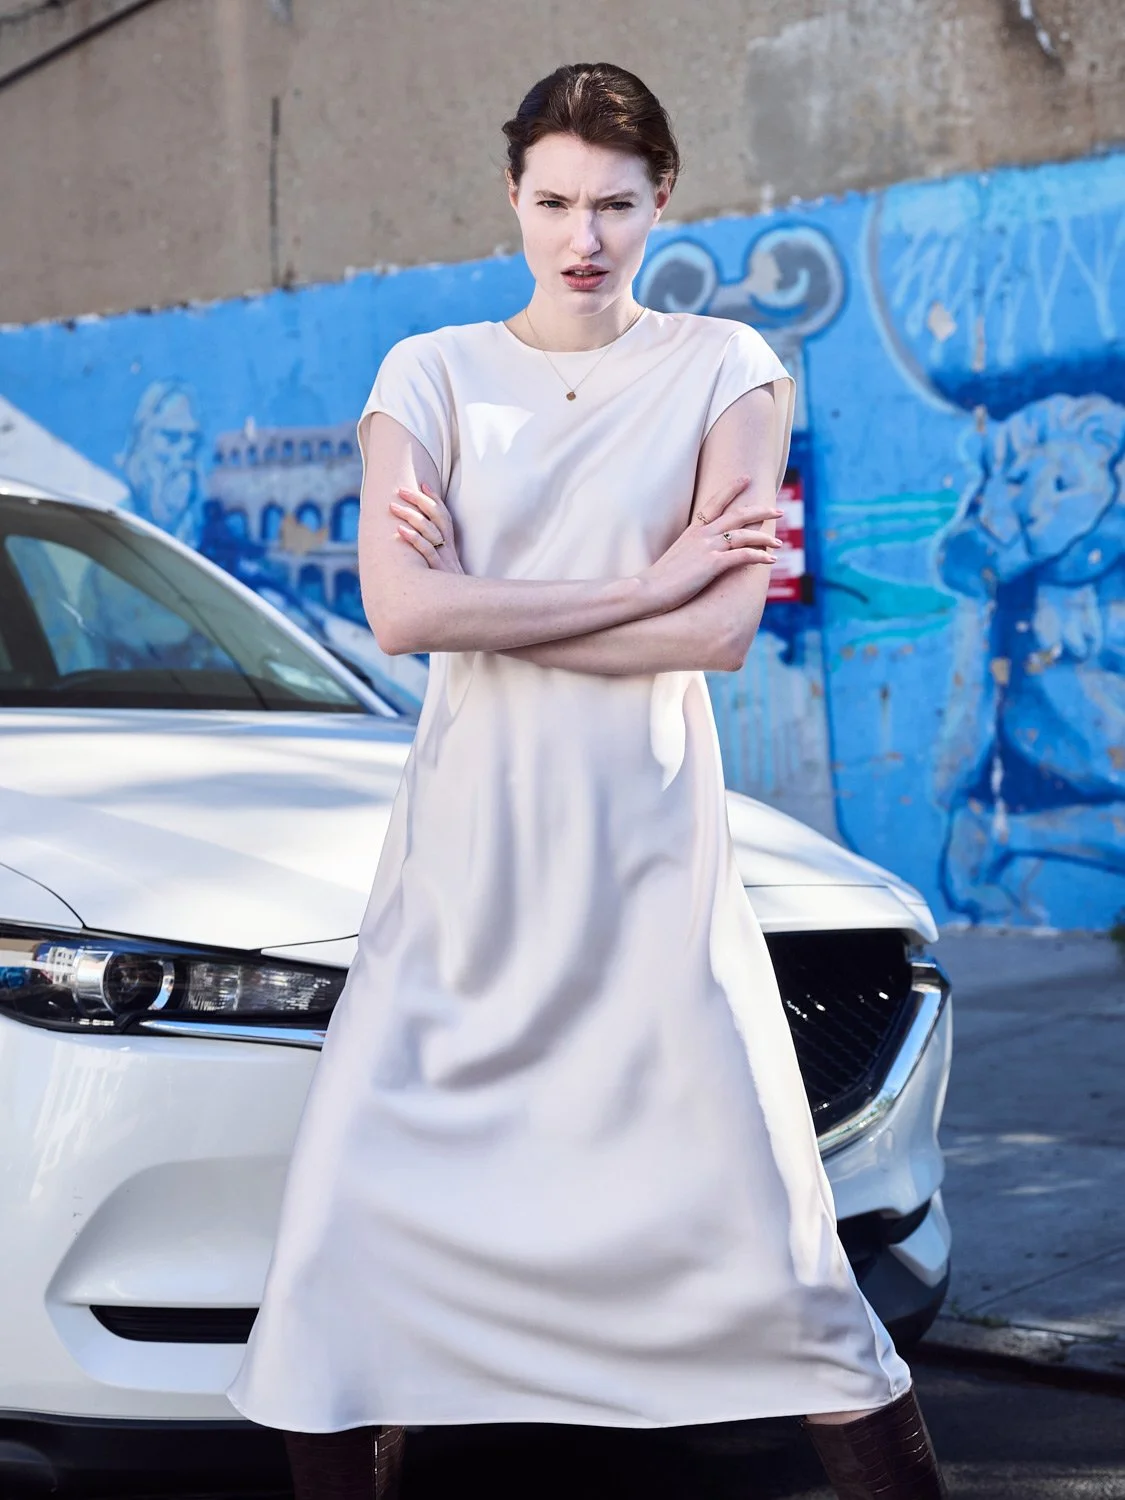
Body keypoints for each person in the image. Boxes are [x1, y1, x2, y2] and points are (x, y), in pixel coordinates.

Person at [226, 63, 947, 1500]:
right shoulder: (425, 373)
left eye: (616, 203)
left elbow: (720, 631)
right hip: (458, 895)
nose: (585, 235)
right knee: (333, 1284)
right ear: (513, 195)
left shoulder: (729, 368)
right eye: (555, 200)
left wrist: (516, 588)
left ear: (661, 198)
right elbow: (406, 616)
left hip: (650, 889)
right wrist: (647, 571)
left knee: (797, 1286)